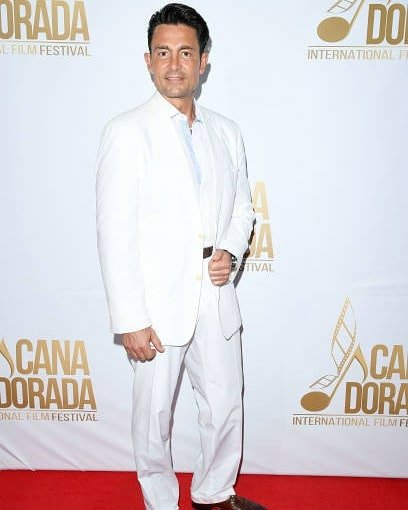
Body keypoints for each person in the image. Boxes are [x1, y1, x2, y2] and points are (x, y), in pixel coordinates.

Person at [96, 4, 264, 509]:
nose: (174, 64)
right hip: (155, 304)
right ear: (148, 60)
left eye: (185, 53)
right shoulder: (126, 131)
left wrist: (229, 250)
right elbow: (114, 231)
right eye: (163, 52)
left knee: (225, 404)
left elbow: (243, 207)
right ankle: (161, 503)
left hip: (215, 296)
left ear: (203, 61)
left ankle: (214, 494)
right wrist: (130, 318)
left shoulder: (227, 131)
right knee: (153, 420)